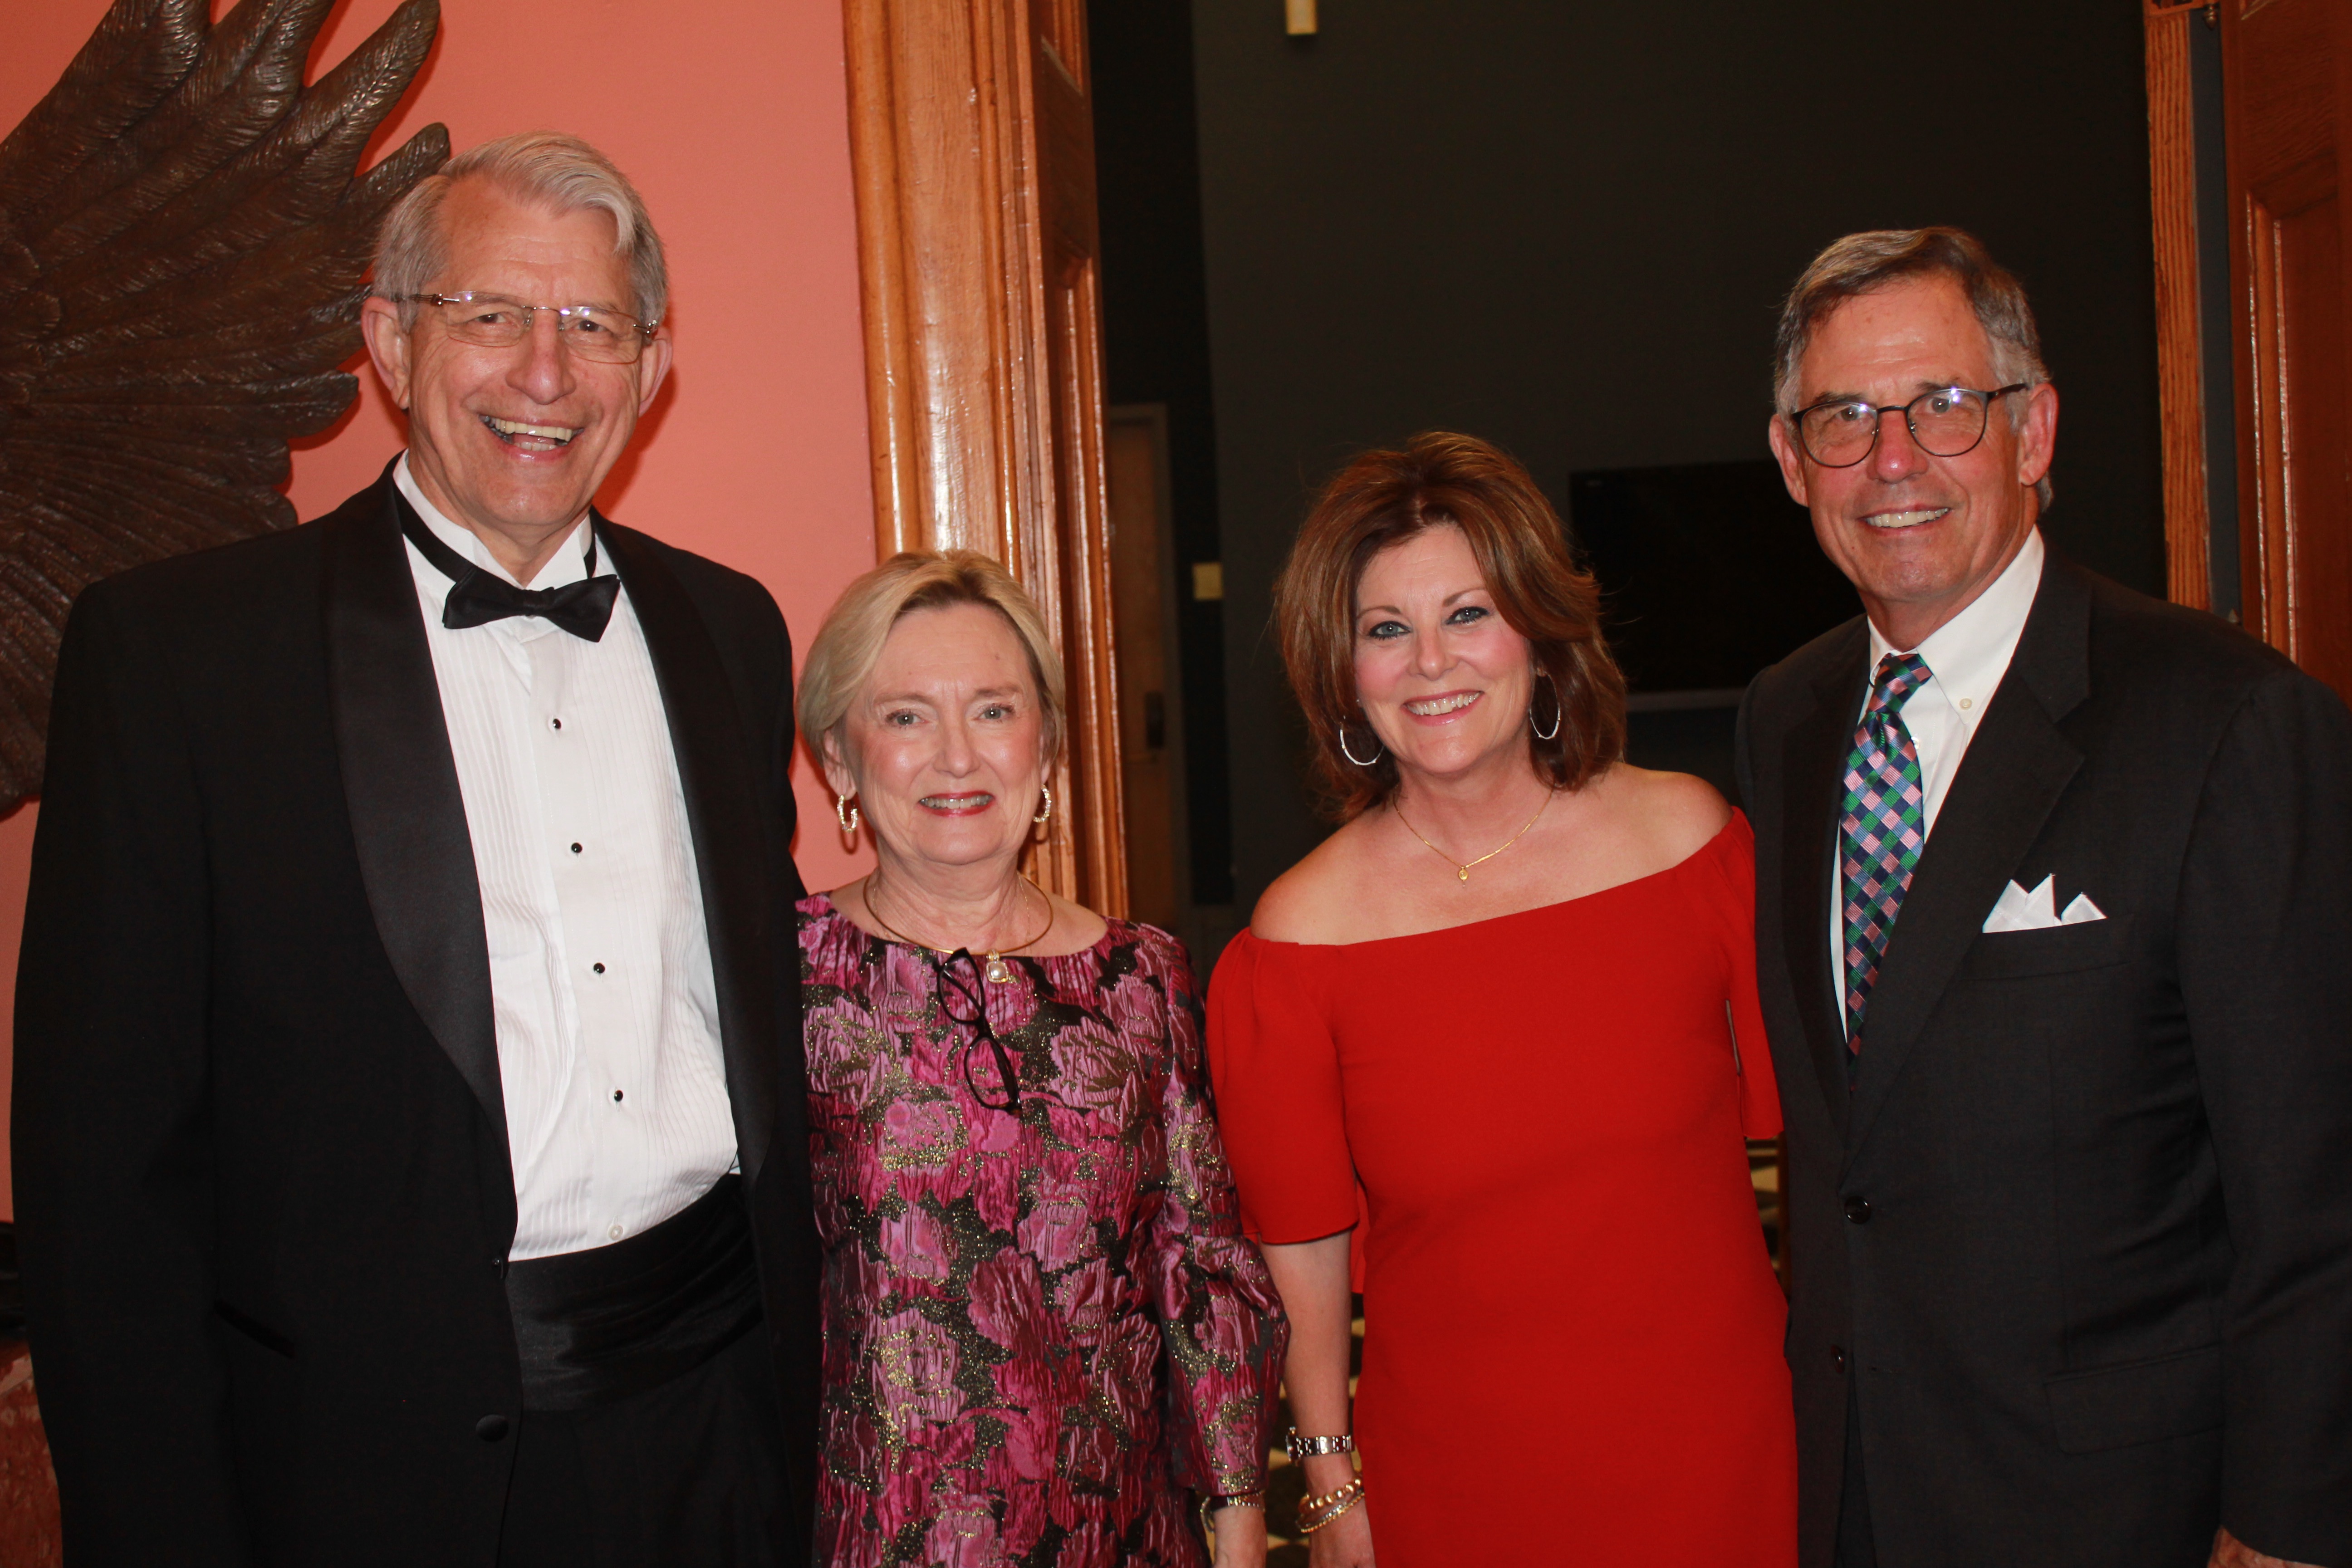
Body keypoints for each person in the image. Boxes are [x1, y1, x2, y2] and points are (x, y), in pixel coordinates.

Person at [12, 133, 820, 1565]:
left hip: (719, 1434)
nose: (545, 374)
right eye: (491, 314)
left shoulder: (732, 633)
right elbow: (102, 1194)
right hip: (359, 1474)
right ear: (390, 341)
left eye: (594, 325)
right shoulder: (181, 657)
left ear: (652, 367)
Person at [1739, 227, 2352, 1568]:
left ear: (2035, 430)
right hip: (1854, 1495)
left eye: (1945, 405)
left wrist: (2289, 1526)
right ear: (1790, 461)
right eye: (1845, 418)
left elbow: (2316, 1187)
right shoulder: (1785, 720)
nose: (1893, 459)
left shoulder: (2230, 723)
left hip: (2130, 1514)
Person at [1205, 432, 1796, 1566]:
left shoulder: (1693, 847)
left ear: (1541, 631)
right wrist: (1328, 1481)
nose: (1432, 663)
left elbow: (1828, 1156)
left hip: (1725, 1456)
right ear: (1346, 672)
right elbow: (1304, 1251)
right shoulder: (1297, 942)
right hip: (1456, 1486)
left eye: (1468, 614)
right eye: (1387, 630)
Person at [794, 550, 1287, 1568]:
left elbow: (1199, 1265)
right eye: (906, 716)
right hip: (875, 1541)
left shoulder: (1143, 977)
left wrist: (1239, 1514)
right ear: (839, 760)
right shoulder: (783, 976)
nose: (957, 757)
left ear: (1048, 745)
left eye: (993, 710)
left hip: (1126, 1538)